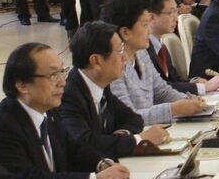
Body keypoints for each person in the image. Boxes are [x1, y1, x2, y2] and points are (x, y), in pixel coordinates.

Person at [0, 43, 132, 179]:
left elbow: (72, 149)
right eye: (53, 75)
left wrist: (101, 164)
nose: (62, 82)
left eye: (62, 72)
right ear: (22, 85)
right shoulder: (1, 126)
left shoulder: (49, 110)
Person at [57, 22, 169, 160]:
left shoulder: (100, 84)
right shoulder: (69, 95)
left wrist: (120, 136)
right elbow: (83, 143)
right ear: (96, 61)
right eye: (119, 51)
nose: (125, 57)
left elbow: (134, 119)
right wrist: (139, 139)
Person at [100, 0, 208, 125]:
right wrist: (173, 109)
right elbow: (129, 116)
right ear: (125, 32)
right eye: (145, 25)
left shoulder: (141, 53)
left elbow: (161, 91)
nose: (149, 31)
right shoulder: (112, 67)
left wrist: (188, 100)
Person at [146, 0, 219, 94]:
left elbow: (174, 80)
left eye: (176, 11)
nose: (176, 18)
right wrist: (203, 88)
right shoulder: (143, 50)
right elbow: (160, 88)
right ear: (151, 17)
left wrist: (193, 82)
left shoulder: (159, 44)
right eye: (171, 13)